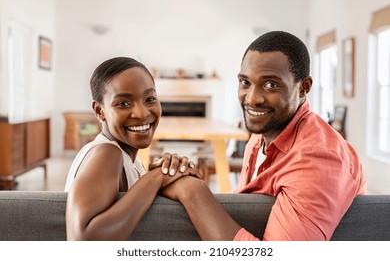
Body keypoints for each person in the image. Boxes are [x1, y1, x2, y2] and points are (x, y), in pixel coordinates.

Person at [159, 31, 367, 240]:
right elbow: (249, 206)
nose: (252, 99)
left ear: (303, 88)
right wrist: (191, 181)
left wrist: (192, 192)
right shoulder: (261, 137)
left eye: (271, 85)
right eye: (245, 83)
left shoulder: (316, 158)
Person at [64, 57, 201, 240]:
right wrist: (156, 177)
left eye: (150, 99)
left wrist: (166, 178)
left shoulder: (130, 158)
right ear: (99, 111)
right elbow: (85, 239)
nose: (142, 113)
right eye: (123, 103)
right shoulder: (107, 153)